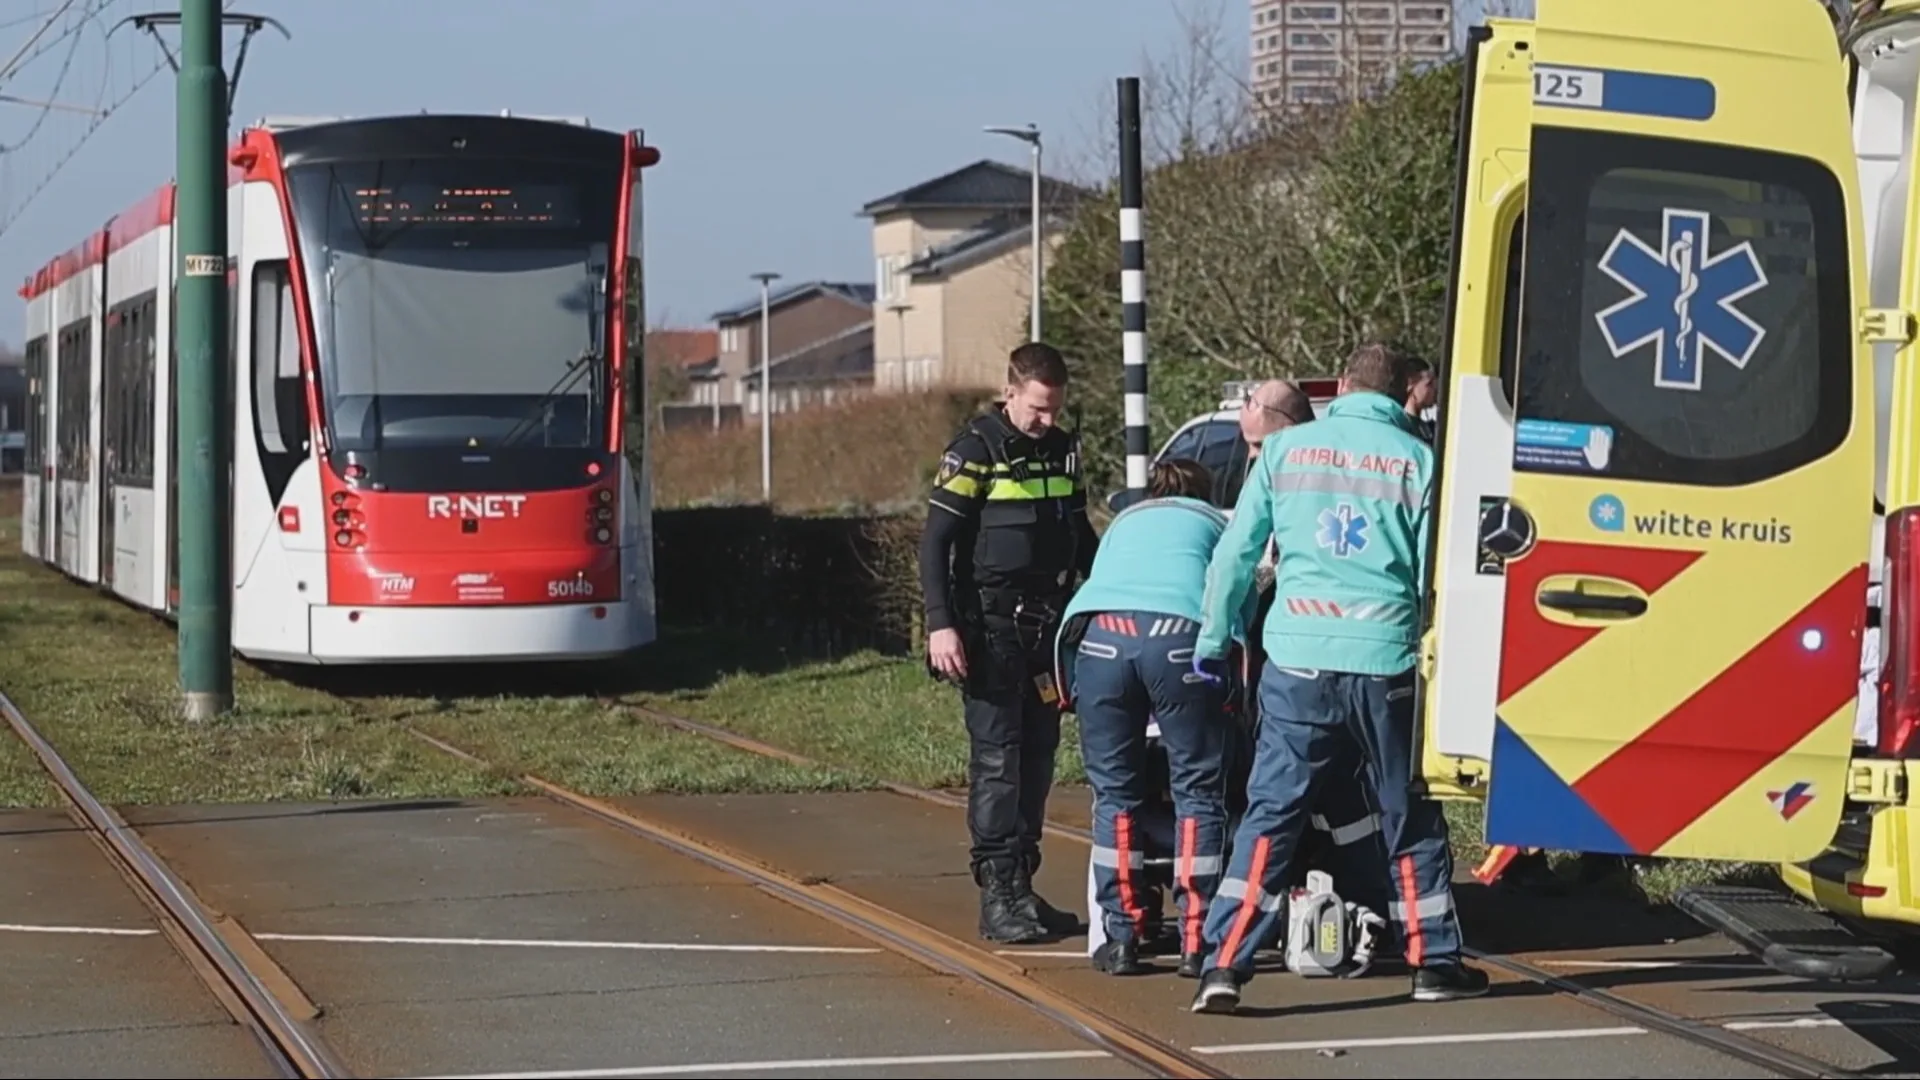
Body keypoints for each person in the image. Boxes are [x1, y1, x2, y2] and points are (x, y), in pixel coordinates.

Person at [1187, 342, 1488, 1014]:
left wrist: (1215, 638)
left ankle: (1225, 964)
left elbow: (1237, 552)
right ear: (1404, 394)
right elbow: (1433, 576)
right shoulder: (1419, 462)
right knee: (1407, 814)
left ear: (1344, 385)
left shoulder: (1291, 453)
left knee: (1272, 813)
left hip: (1297, 662)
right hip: (1386, 663)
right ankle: (1432, 960)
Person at [920, 341, 1099, 945]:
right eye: (1036, 411)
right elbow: (936, 543)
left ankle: (1023, 883)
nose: (1045, 422)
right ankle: (997, 894)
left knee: (1039, 760)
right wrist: (940, 622)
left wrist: (1105, 597)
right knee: (998, 763)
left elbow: (1079, 533)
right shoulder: (975, 451)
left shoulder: (1064, 451)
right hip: (990, 631)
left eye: (1054, 410)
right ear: (1011, 394)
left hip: (1047, 633)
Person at [1056, 457, 1260, 977]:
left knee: (1115, 795)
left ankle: (1121, 936)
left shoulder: (1126, 521)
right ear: (1206, 492)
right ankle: (1198, 939)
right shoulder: (1217, 523)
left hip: (1101, 640)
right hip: (1180, 638)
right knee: (1198, 793)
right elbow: (1239, 594)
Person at [1402, 357, 1437, 443]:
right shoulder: (1401, 425)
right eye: (1429, 384)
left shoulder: (1429, 428)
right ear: (1410, 385)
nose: (1434, 389)